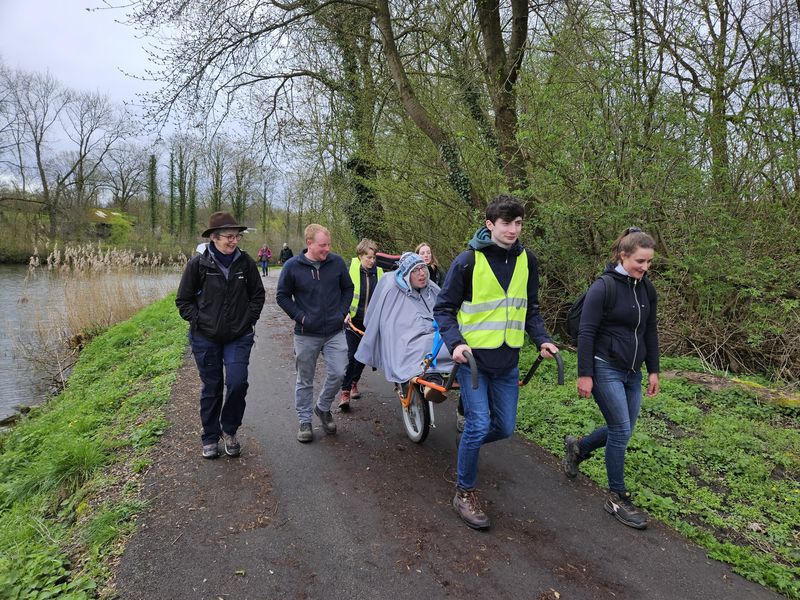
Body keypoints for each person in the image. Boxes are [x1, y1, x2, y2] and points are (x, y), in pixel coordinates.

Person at [433, 195, 559, 530]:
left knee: (503, 428)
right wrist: (456, 344)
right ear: (490, 225)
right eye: (506, 223)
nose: (513, 229)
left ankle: (467, 450)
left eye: (518, 223)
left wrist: (542, 338)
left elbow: (530, 308)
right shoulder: (467, 262)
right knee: (477, 424)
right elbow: (443, 309)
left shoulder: (528, 261)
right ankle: (464, 492)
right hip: (473, 363)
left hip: (507, 361)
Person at [562, 227, 660, 530]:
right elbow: (587, 332)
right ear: (623, 255)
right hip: (605, 367)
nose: (644, 268)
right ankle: (616, 497)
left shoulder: (647, 289)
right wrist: (585, 374)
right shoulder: (603, 287)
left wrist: (654, 369)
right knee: (620, 429)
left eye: (648, 262)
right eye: (640, 261)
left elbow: (650, 331)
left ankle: (578, 447)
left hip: (633, 372)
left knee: (625, 429)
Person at [176, 212, 265, 459]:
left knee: (237, 383)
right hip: (205, 338)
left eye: (236, 236)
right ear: (214, 238)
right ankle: (210, 436)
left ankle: (230, 430)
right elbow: (183, 301)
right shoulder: (198, 265)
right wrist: (200, 321)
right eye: (229, 237)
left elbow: (258, 296)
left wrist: (248, 320)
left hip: (238, 336)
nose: (234, 241)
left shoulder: (245, 264)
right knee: (212, 387)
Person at [276, 224, 354, 443]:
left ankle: (322, 407)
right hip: (306, 334)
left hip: (334, 331)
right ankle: (304, 421)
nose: (327, 249)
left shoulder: (337, 262)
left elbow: (348, 288)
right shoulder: (292, 266)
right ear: (309, 243)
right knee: (305, 379)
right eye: (322, 245)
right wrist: (301, 317)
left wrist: (341, 312)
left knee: (339, 372)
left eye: (328, 244)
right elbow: (282, 296)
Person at [355, 252, 452, 389]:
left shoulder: (431, 288)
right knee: (423, 346)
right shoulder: (391, 289)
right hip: (407, 339)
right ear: (406, 274)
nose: (422, 273)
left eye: (423, 268)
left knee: (456, 343)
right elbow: (376, 316)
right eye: (415, 271)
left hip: (434, 334)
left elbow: (446, 309)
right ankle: (432, 377)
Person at [339, 238, 384, 411]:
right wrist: (344, 313)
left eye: (374, 257)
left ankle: (355, 381)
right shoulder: (350, 270)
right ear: (360, 256)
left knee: (363, 357)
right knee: (352, 356)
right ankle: (345, 391)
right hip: (352, 321)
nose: (372, 261)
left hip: (371, 323)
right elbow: (341, 293)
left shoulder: (380, 273)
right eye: (368, 257)